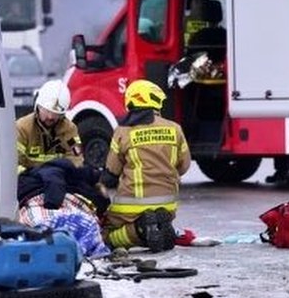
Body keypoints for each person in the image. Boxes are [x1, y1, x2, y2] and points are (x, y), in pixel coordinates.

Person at [100, 79, 191, 252]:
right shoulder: (175, 128)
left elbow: (112, 171)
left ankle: (141, 230)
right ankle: (156, 225)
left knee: (104, 235)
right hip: (169, 205)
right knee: (155, 223)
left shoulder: (123, 131)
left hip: (130, 204)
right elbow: (184, 166)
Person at [15, 79, 83, 172]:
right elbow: (14, 163)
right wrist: (33, 178)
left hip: (59, 180)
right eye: (47, 111)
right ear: (38, 107)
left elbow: (76, 157)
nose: (50, 117)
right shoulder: (22, 128)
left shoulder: (69, 130)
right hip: (31, 180)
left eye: (56, 113)